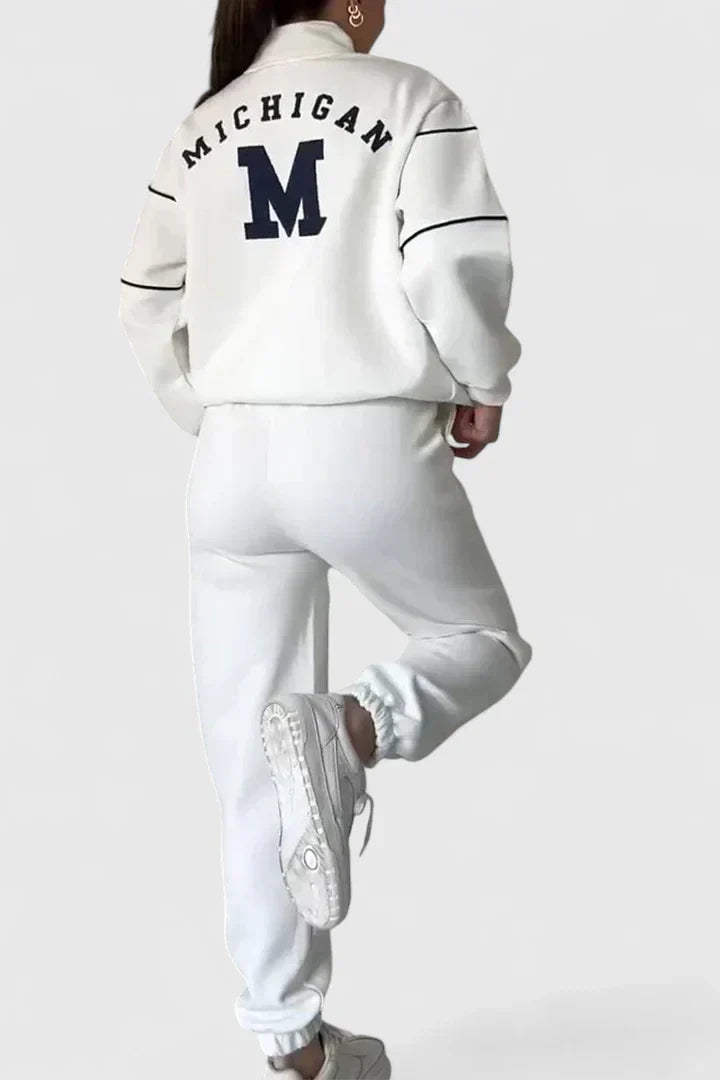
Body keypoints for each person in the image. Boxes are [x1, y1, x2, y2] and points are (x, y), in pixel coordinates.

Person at [118, 1, 532, 1076]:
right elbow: (453, 257)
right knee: (480, 643)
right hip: (365, 438)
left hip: (231, 468)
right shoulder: (410, 97)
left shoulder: (201, 125)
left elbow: (147, 298)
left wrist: (210, 410)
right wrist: (482, 381)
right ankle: (356, 725)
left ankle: (293, 1043)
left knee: (250, 763)